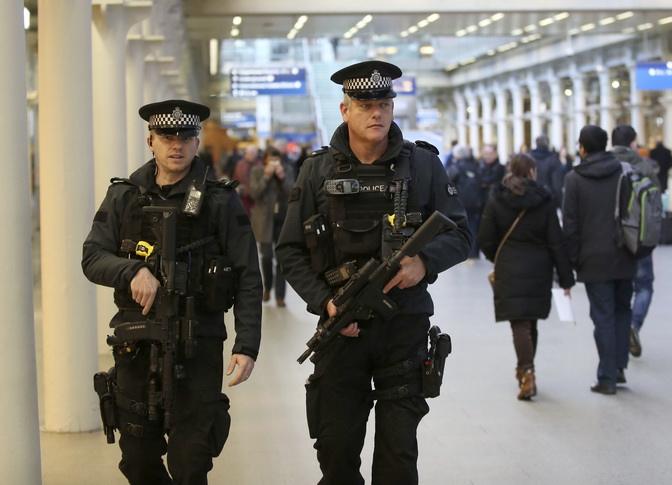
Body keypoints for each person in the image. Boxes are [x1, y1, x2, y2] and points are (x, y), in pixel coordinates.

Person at [276, 60, 471, 485]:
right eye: (365, 105)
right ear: (344, 109)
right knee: (336, 451)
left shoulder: (423, 166)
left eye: (384, 104)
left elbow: (461, 235)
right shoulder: (316, 170)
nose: (376, 113)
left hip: (403, 326)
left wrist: (424, 262)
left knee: (398, 456)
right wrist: (324, 302)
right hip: (342, 331)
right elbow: (289, 250)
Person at [82, 100, 262, 484]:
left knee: (191, 462)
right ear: (151, 140)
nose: (176, 145)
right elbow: (92, 256)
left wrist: (247, 344)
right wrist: (132, 270)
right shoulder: (124, 196)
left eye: (185, 137)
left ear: (198, 142)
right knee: (138, 461)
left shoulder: (220, 200)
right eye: (166, 137)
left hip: (198, 344)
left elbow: (248, 274)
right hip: (136, 346)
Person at [478, 154, 574, 400]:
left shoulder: (497, 197)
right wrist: (565, 278)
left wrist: (498, 257)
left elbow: (485, 237)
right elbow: (556, 241)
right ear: (531, 171)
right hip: (539, 267)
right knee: (530, 322)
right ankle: (527, 370)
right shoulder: (544, 199)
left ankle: (526, 372)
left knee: (519, 323)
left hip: (509, 266)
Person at [563, 125, 636, 395]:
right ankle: (618, 368)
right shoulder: (623, 172)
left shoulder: (574, 179)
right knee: (622, 311)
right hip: (625, 252)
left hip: (593, 259)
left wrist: (571, 261)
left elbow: (570, 225)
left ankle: (607, 377)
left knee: (603, 316)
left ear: (582, 148)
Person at [611, 125, 660, 358]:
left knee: (614, 289)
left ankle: (615, 339)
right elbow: (655, 202)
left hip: (611, 238)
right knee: (644, 285)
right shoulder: (644, 166)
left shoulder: (605, 164)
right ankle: (634, 324)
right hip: (639, 236)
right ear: (632, 143)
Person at [250, 147, 294, 306]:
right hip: (264, 220)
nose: (274, 163)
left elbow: (293, 192)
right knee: (267, 257)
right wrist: (266, 176)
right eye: (271, 159)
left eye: (277, 159)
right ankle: (267, 287)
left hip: (282, 219)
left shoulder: (287, 169)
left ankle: (280, 296)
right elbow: (254, 193)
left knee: (282, 258)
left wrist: (282, 177)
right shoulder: (257, 171)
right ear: (265, 160)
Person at [447, 144, 483, 258]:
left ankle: (461, 251)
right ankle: (473, 252)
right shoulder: (475, 166)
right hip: (475, 202)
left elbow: (447, 183)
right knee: (473, 226)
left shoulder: (455, 167)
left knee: (459, 227)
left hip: (460, 202)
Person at [529, 135, 563, 207]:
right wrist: (560, 203)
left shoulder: (529, 158)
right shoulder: (554, 160)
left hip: (532, 199)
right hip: (548, 199)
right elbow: (557, 184)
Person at [478, 143, 505, 209]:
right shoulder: (478, 166)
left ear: (495, 154)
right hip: (481, 203)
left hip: (496, 203)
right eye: (485, 154)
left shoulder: (501, 168)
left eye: (490, 153)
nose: (488, 156)